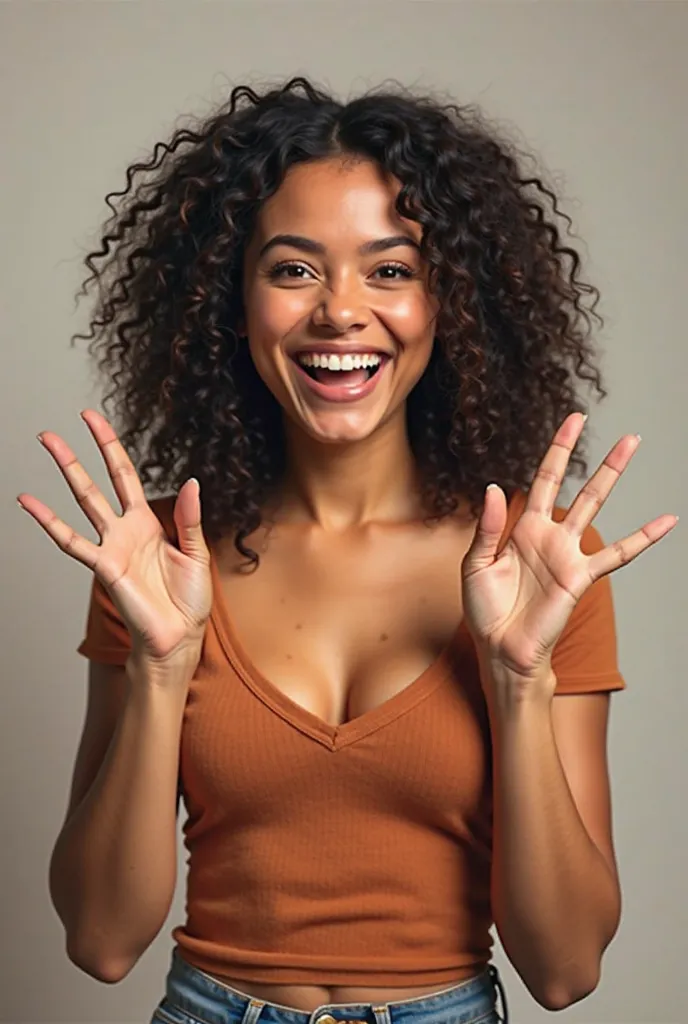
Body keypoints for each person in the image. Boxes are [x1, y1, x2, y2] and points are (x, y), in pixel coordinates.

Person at [18, 77, 677, 1024]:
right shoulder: (160, 557)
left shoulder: (538, 561)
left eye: (391, 269)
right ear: (230, 301)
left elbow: (565, 970)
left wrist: (518, 679)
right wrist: (162, 666)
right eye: (293, 269)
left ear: (449, 300)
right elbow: (101, 941)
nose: (339, 311)